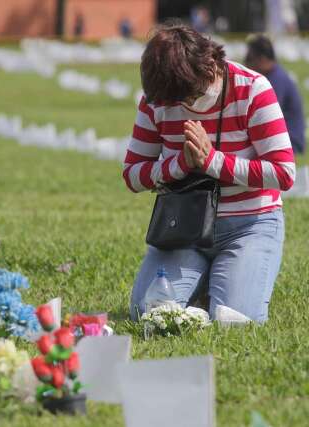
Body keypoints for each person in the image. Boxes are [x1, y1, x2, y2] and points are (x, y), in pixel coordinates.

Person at [124, 25, 295, 323]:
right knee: (147, 312)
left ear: (210, 66)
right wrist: (179, 165)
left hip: (249, 224)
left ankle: (222, 278)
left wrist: (213, 161)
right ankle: (205, 280)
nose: (183, 107)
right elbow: (133, 175)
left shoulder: (252, 88)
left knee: (238, 318)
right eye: (174, 102)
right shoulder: (159, 99)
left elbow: (283, 173)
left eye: (189, 97)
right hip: (185, 228)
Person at [245, 34, 306, 154]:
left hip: (291, 142)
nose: (247, 63)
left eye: (250, 59)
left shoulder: (275, 80)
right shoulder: (273, 76)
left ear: (262, 59)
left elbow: (263, 117)